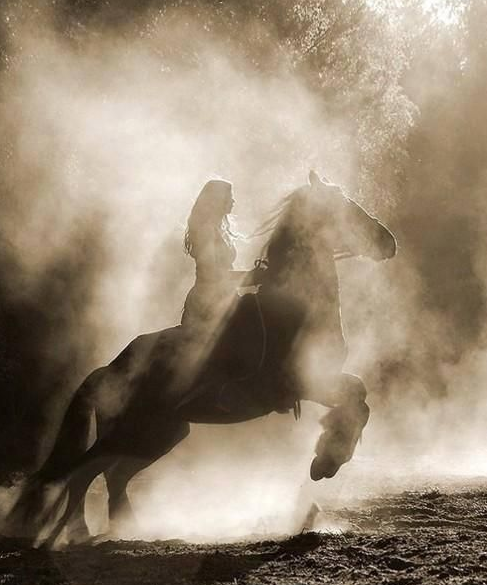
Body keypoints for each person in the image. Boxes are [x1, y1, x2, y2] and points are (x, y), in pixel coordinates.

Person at [181, 179, 263, 337]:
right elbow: (212, 274)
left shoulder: (219, 229)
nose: (233, 201)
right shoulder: (205, 231)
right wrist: (252, 276)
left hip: (225, 297)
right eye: (229, 196)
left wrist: (253, 275)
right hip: (207, 303)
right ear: (218, 201)